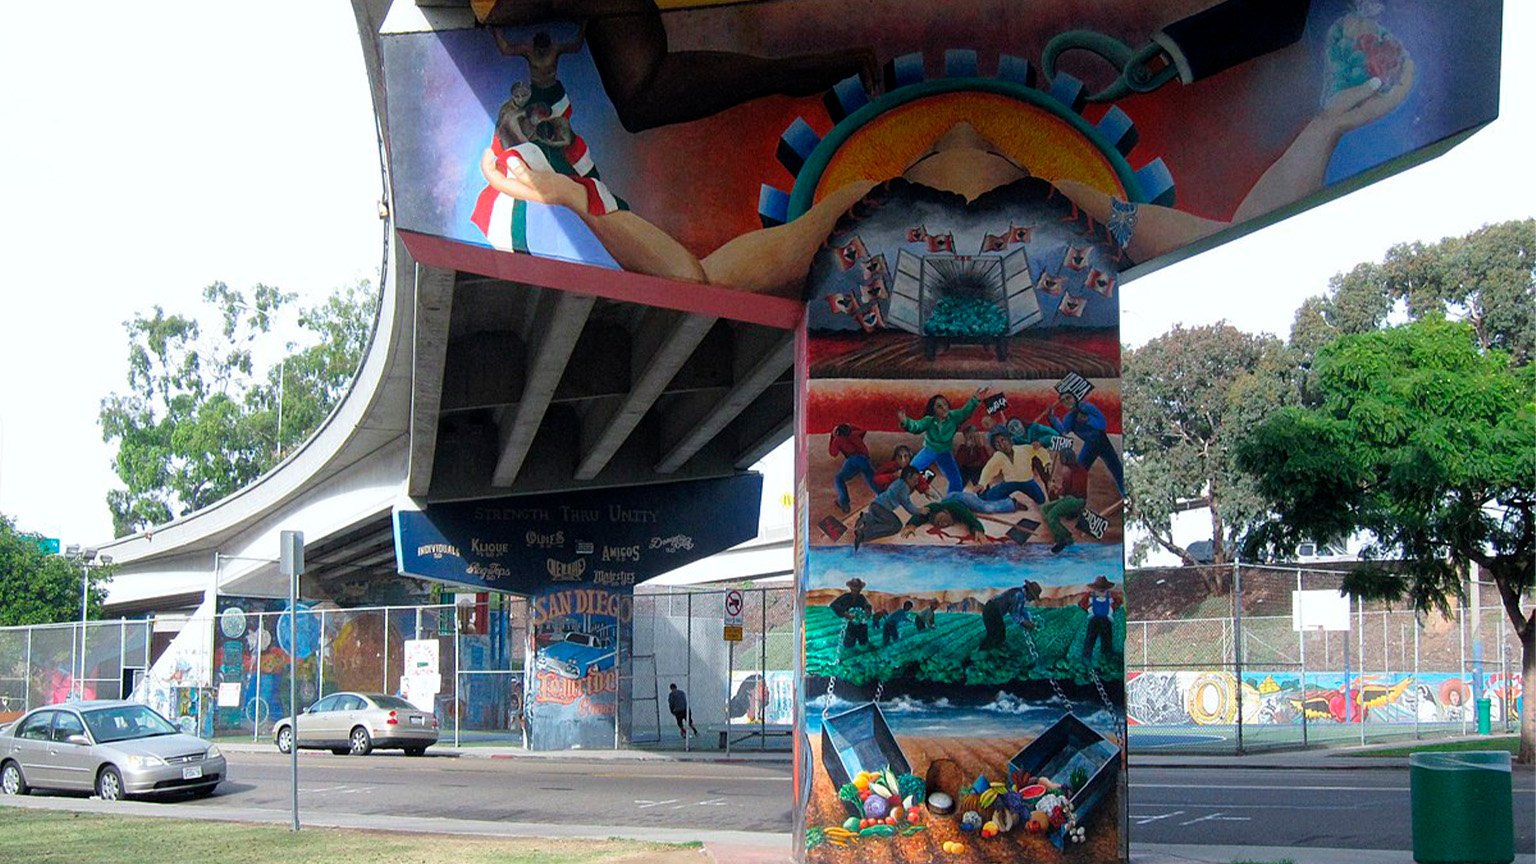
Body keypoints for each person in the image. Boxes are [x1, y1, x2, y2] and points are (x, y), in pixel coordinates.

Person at [478, 64, 1416, 296]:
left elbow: (1227, 238)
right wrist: (575, 200)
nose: (959, 132)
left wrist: (1324, 125)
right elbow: (695, 281)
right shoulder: (858, 204)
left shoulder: (1072, 200)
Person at [898, 388, 987, 495]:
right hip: (929, 451)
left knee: (956, 480)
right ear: (933, 410)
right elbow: (917, 426)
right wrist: (906, 422)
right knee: (909, 472)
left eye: (945, 405)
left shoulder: (954, 417)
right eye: (939, 406)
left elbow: (965, 412)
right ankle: (897, 494)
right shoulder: (929, 420)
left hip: (945, 453)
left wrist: (974, 400)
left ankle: (952, 501)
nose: (944, 408)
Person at [1048, 391, 1125, 497]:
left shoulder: (1087, 407)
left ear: (1075, 398)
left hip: (1102, 441)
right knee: (1078, 471)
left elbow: (1102, 424)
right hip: (1090, 445)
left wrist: (1088, 419)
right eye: (1063, 401)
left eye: (1068, 398)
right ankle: (1074, 498)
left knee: (1117, 469)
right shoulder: (1069, 418)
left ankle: (1125, 495)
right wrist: (1053, 418)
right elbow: (1063, 431)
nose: (1067, 402)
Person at [853, 467, 923, 549]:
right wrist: (919, 511)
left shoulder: (899, 482)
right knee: (896, 525)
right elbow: (908, 505)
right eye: (915, 480)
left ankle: (867, 518)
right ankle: (864, 533)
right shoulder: (904, 488)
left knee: (884, 521)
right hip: (880, 508)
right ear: (908, 477)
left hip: (875, 506)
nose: (916, 483)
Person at [977, 427, 1046, 505]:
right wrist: (982, 483)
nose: (1002, 445)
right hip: (1009, 482)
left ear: (1009, 440)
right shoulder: (998, 456)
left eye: (1003, 440)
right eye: (997, 444)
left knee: (1041, 500)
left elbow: (1039, 451)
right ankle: (1013, 503)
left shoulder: (1023, 449)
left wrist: (1046, 462)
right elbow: (988, 469)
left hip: (1027, 481)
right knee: (988, 498)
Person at [1041, 451, 1090, 554]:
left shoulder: (1067, 470)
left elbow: (1065, 491)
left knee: (1051, 515)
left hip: (1074, 500)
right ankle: (1059, 537)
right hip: (1075, 499)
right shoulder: (1081, 469)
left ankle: (1066, 537)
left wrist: (1054, 487)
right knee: (1045, 509)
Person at [979, 580, 1043, 651]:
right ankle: (984, 652)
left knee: (996, 634)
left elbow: (1021, 610)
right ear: (1029, 592)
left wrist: (1028, 619)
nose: (1032, 599)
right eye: (1033, 597)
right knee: (998, 634)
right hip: (992, 610)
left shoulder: (1020, 594)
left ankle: (988, 651)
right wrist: (1024, 623)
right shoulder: (1019, 595)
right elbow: (1015, 614)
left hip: (991, 608)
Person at [829, 423, 877, 514]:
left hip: (853, 459)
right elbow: (863, 430)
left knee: (838, 478)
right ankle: (882, 494)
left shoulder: (838, 439)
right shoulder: (855, 434)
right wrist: (851, 427)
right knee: (871, 478)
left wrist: (832, 436)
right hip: (864, 459)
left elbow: (833, 453)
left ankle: (843, 502)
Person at [1079, 575, 1122, 661]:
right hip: (1094, 619)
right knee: (1090, 639)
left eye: (1103, 588)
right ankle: (1086, 657)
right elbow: (1081, 603)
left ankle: (1106, 657)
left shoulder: (1110, 596)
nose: (1101, 589)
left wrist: (1113, 608)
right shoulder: (1090, 595)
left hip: (1106, 620)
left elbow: (1119, 602)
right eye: (1099, 587)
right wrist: (1088, 609)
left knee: (1106, 639)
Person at [828, 578, 873, 649]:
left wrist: (868, 611)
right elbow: (833, 605)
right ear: (851, 589)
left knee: (864, 646)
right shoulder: (845, 597)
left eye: (858, 589)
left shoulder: (861, 598)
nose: (856, 591)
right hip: (850, 625)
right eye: (854, 589)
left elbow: (867, 606)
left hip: (862, 626)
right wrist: (845, 613)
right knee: (849, 646)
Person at [955, 425, 991, 489]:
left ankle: (985, 494)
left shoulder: (980, 447)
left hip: (977, 468)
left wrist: (979, 446)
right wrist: (967, 448)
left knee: (978, 478)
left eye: (973, 437)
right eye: (969, 437)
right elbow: (958, 462)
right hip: (965, 468)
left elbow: (986, 461)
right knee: (959, 480)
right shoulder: (962, 447)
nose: (972, 440)